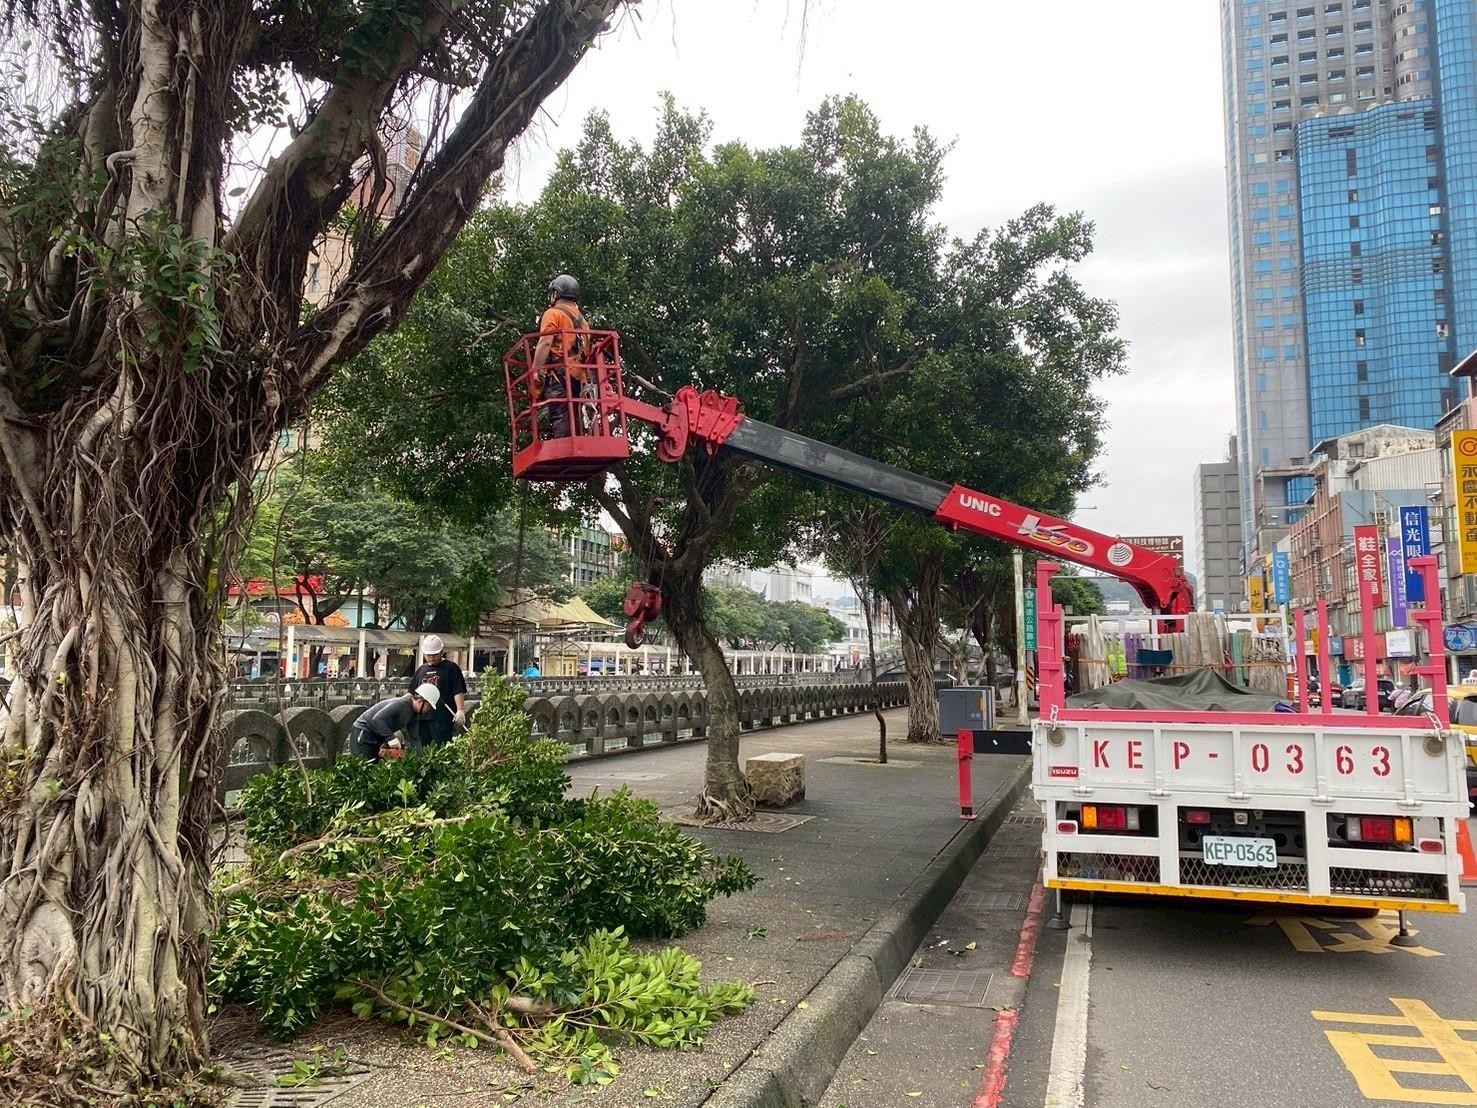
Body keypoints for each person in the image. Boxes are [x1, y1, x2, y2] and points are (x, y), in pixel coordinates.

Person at [530, 273, 591, 438]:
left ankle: (566, 453)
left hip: (559, 377)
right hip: (580, 379)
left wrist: (535, 370)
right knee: (577, 419)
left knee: (561, 417)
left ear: (556, 293)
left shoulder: (553, 313)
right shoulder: (583, 322)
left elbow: (545, 343)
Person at [351, 683, 439, 760]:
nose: (428, 711)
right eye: (428, 707)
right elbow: (377, 719)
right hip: (364, 731)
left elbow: (414, 738)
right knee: (364, 765)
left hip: (377, 735)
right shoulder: (401, 704)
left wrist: (420, 759)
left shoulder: (414, 715)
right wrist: (391, 738)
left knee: (374, 765)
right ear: (420, 701)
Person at [408, 633, 468, 745]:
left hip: (442, 718)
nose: (431, 657)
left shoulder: (451, 668)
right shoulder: (421, 670)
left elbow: (458, 691)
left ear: (441, 652)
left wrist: (460, 710)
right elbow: (411, 692)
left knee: (441, 747)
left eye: (434, 655)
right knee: (423, 749)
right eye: (428, 655)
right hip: (422, 718)